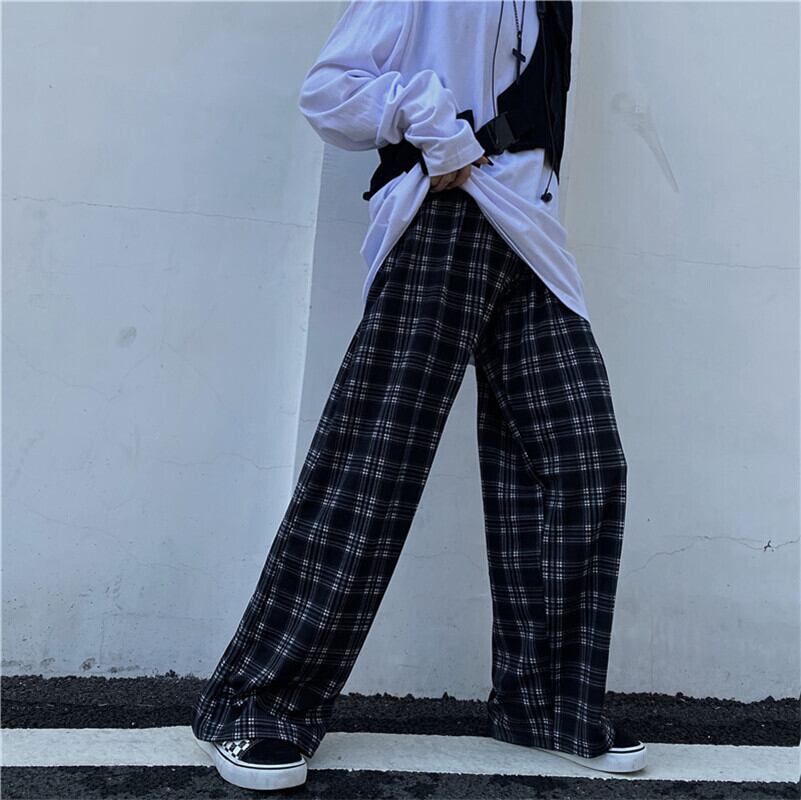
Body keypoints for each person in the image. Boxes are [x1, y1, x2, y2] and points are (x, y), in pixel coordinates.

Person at [190, 0, 647, 791]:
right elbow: (330, 89)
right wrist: (432, 123)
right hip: (444, 217)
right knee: (375, 465)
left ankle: (542, 705)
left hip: (533, 243)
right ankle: (256, 703)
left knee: (581, 463)